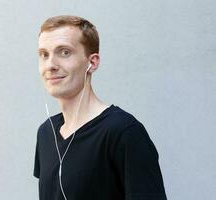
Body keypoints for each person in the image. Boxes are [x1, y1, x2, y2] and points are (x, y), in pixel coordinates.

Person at [33, 15, 167, 200]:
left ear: (92, 62)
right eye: (44, 54)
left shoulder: (123, 132)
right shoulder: (46, 133)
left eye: (64, 52)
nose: (50, 65)